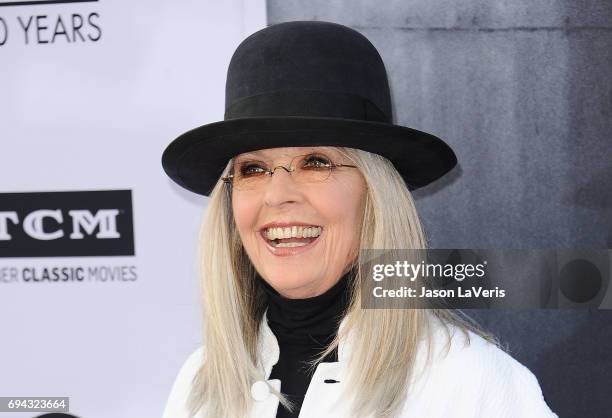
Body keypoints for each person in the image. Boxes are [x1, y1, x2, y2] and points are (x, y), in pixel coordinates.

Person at [160, 21, 558, 418]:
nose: (278, 195)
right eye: (252, 170)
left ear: (375, 192)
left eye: (315, 162)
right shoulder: (200, 383)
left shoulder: (469, 382)